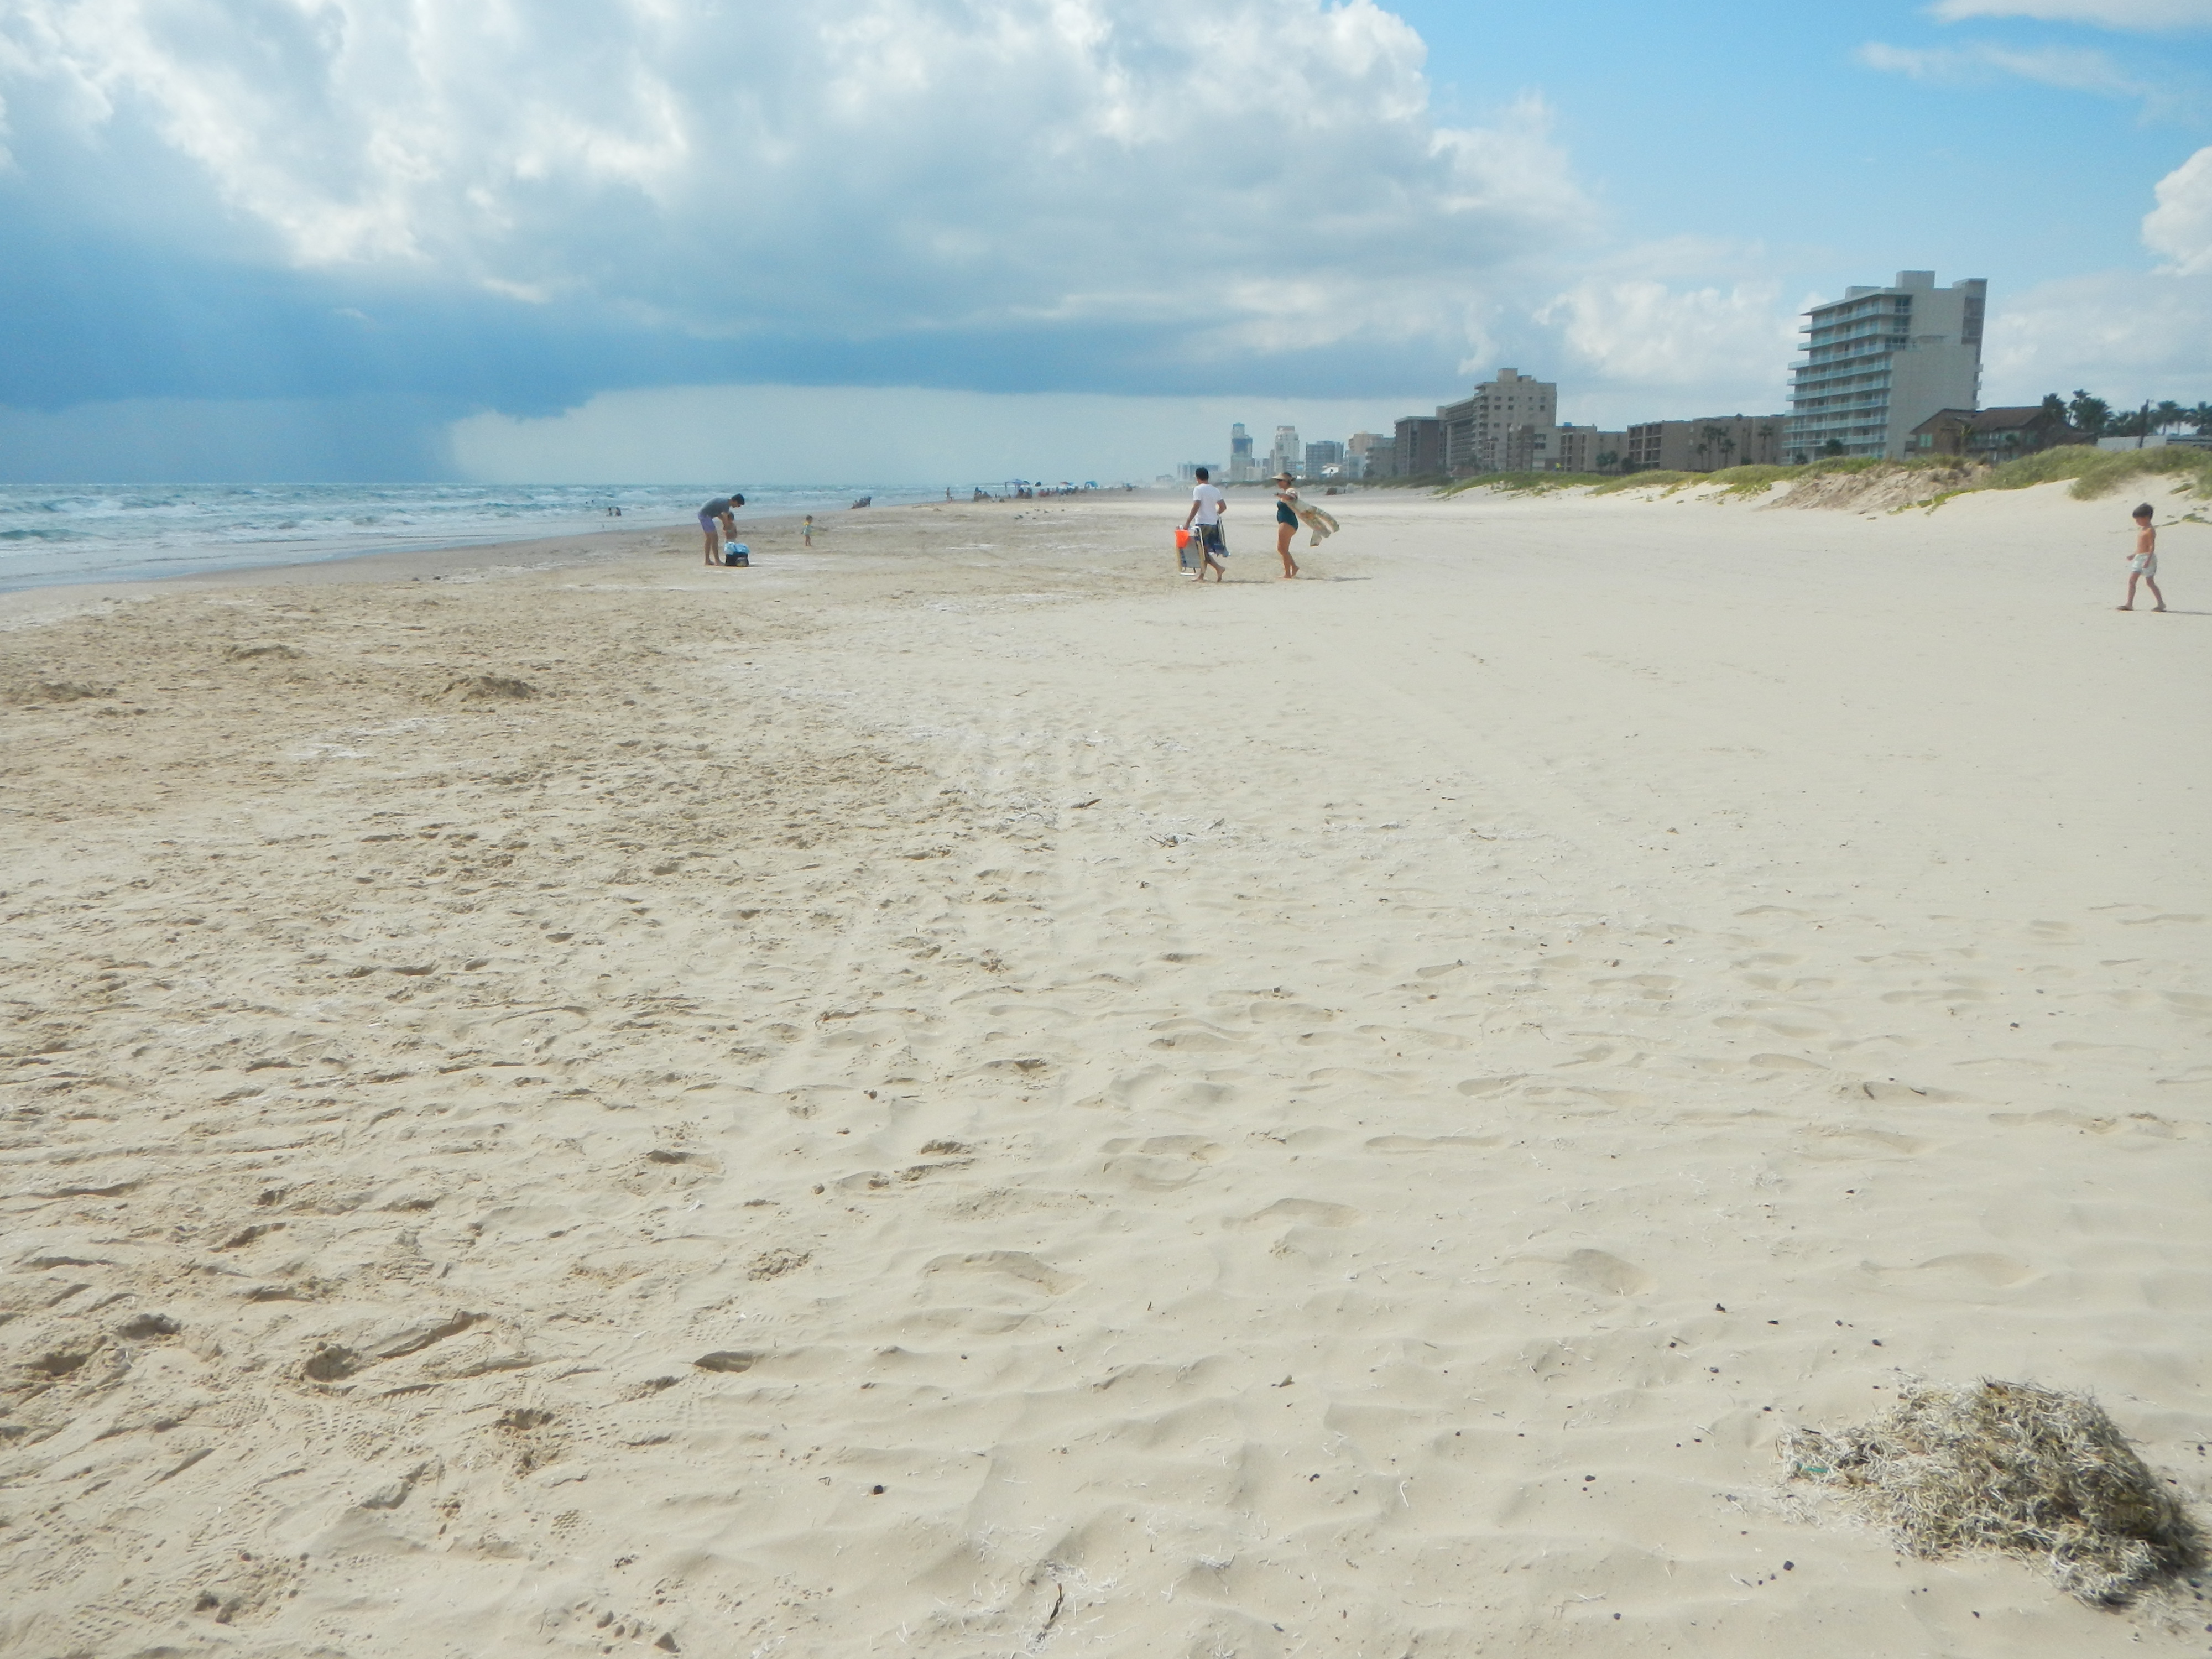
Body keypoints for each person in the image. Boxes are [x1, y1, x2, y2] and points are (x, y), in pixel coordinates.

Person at [1181, 466, 1229, 582]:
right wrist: (1215, 514)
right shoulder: (1215, 490)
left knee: (1201, 550)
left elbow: (1196, 505)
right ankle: (1202, 575)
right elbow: (1223, 507)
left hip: (1202, 523)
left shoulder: (1198, 489)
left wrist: (1188, 522)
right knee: (1205, 550)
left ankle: (1218, 568)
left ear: (1198, 478)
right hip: (1213, 523)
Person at [2119, 502, 2165, 612]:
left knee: (2150, 582)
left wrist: (2148, 560)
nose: (2137, 522)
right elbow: (2141, 547)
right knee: (2132, 580)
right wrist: (2134, 555)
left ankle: (2161, 604)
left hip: (2147, 558)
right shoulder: (2142, 530)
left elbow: (2151, 546)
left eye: (2138, 519)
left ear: (2147, 518)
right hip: (2139, 558)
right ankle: (2129, 604)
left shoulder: (2150, 530)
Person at [699, 492, 744, 565]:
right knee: (714, 538)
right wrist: (728, 529)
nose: (738, 507)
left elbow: (720, 515)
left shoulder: (724, 502)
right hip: (705, 516)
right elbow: (725, 518)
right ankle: (717, 561)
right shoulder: (726, 505)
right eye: (738, 505)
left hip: (704, 515)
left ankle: (707, 561)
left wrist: (726, 525)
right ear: (735, 501)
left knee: (709, 539)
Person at [1272, 473, 1301, 579]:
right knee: (1282, 548)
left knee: (1282, 548)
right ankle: (1293, 567)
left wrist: (1283, 496)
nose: (1278, 483)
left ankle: (1288, 573)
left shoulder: (1291, 491)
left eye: (1280, 481)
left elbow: (1293, 498)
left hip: (1288, 522)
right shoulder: (1287, 492)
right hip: (1286, 522)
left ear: (1286, 481)